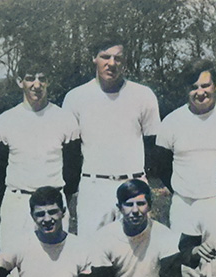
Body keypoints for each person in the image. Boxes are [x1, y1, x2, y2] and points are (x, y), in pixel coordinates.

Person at [0, 59, 81, 277]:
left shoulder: (65, 119)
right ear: (20, 81)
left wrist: (58, 203)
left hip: (54, 203)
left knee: (56, 272)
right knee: (15, 271)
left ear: (49, 80)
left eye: (42, 77)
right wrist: (17, 199)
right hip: (18, 201)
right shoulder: (4, 121)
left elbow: (72, 169)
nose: (36, 84)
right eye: (30, 77)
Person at [61, 38, 162, 235]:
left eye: (118, 58)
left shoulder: (143, 95)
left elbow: (153, 144)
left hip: (133, 185)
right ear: (94, 58)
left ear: (124, 62)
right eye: (105, 57)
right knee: (92, 256)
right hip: (94, 187)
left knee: (136, 254)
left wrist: (143, 180)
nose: (112, 63)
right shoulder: (76, 97)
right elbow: (69, 152)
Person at [155, 59, 216, 237]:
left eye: (205, 86)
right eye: (194, 87)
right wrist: (183, 189)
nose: (200, 92)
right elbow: (162, 166)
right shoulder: (171, 121)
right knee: (186, 262)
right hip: (184, 206)